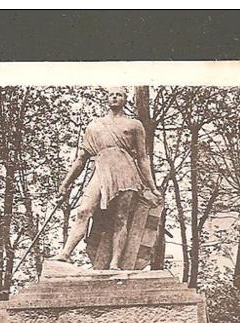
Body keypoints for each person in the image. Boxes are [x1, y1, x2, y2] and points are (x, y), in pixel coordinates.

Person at [53, 87, 161, 270]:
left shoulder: (134, 125)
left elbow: (143, 158)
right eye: (111, 94)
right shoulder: (94, 126)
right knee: (83, 211)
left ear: (125, 99)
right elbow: (80, 159)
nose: (114, 97)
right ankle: (65, 253)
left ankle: (115, 264)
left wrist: (152, 186)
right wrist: (65, 184)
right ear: (107, 99)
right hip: (102, 170)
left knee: (121, 218)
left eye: (119, 94)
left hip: (126, 171)